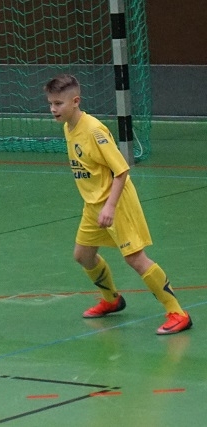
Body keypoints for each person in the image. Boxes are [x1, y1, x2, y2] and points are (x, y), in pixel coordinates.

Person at [44, 74, 192, 335]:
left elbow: (121, 171)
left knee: (135, 259)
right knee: (83, 255)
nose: (53, 109)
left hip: (116, 203)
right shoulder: (68, 127)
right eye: (51, 104)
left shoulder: (94, 131)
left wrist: (110, 207)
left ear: (76, 101)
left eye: (58, 103)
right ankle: (112, 300)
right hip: (93, 205)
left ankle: (178, 313)